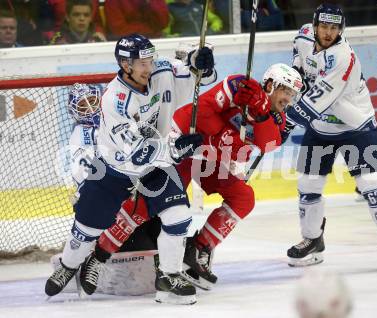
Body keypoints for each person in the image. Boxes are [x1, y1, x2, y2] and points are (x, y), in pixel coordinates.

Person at [79, 62, 304, 294]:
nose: (288, 99)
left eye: (292, 94)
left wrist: (260, 113)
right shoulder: (239, 85)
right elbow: (203, 112)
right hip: (185, 142)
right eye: (286, 90)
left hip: (212, 155)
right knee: (148, 204)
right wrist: (227, 131)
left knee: (243, 198)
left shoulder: (275, 117)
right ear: (270, 84)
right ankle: (98, 255)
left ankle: (197, 249)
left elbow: (267, 144)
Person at [45, 33, 216, 305]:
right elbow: (136, 153)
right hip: (115, 169)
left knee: (179, 217)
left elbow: (196, 77)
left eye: (151, 59)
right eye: (143, 63)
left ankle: (168, 275)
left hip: (157, 167)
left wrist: (200, 64)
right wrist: (175, 149)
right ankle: (69, 265)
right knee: (87, 228)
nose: (150, 66)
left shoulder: (160, 71)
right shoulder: (114, 99)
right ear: (126, 65)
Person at [283, 4, 377, 267]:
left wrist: (284, 122)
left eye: (334, 28)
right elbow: (296, 70)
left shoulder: (343, 57)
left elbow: (316, 100)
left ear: (341, 30)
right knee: (308, 184)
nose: (328, 33)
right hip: (321, 129)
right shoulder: (303, 36)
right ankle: (312, 238)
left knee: (372, 183)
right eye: (324, 27)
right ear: (315, 25)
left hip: (355, 126)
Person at [104, 0, 169, 39]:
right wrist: (150, 29)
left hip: (155, 41)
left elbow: (163, 23)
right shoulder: (112, 1)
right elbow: (119, 30)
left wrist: (151, 2)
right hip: (126, 45)